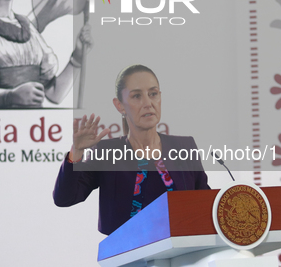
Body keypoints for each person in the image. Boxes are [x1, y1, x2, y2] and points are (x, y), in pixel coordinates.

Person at [53, 64, 210, 235]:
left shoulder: (184, 147)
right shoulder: (106, 152)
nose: (148, 103)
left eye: (153, 94)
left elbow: (204, 205)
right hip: (129, 257)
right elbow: (64, 198)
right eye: (136, 96)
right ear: (120, 105)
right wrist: (76, 153)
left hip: (183, 255)